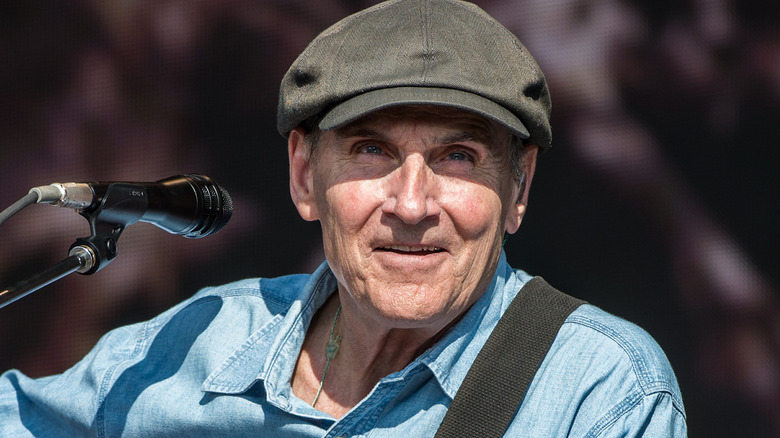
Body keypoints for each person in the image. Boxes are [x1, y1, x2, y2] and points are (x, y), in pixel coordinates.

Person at [0, 0, 687, 436]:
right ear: (305, 176)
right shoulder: (194, 347)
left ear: (518, 186)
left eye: (457, 155)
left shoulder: (598, 392)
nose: (413, 205)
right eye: (371, 150)